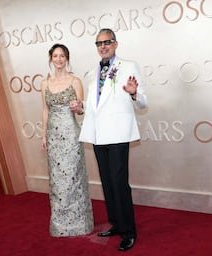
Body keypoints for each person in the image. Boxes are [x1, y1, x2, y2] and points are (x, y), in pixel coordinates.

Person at [79, 28, 147, 251]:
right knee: (107, 183)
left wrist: (134, 93)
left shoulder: (129, 66)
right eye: (99, 43)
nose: (103, 46)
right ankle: (116, 224)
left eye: (107, 42)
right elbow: (94, 104)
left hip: (118, 133)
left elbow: (143, 103)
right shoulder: (91, 72)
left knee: (119, 183)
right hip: (99, 135)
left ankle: (129, 231)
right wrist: (81, 108)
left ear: (115, 44)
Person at [41, 43, 94, 237]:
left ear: (67, 58)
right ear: (51, 59)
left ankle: (80, 224)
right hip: (54, 137)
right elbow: (45, 110)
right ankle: (60, 225)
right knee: (57, 180)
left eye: (62, 56)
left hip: (71, 134)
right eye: (55, 56)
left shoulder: (75, 82)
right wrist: (44, 134)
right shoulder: (45, 84)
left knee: (74, 177)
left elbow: (81, 110)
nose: (59, 59)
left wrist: (77, 107)